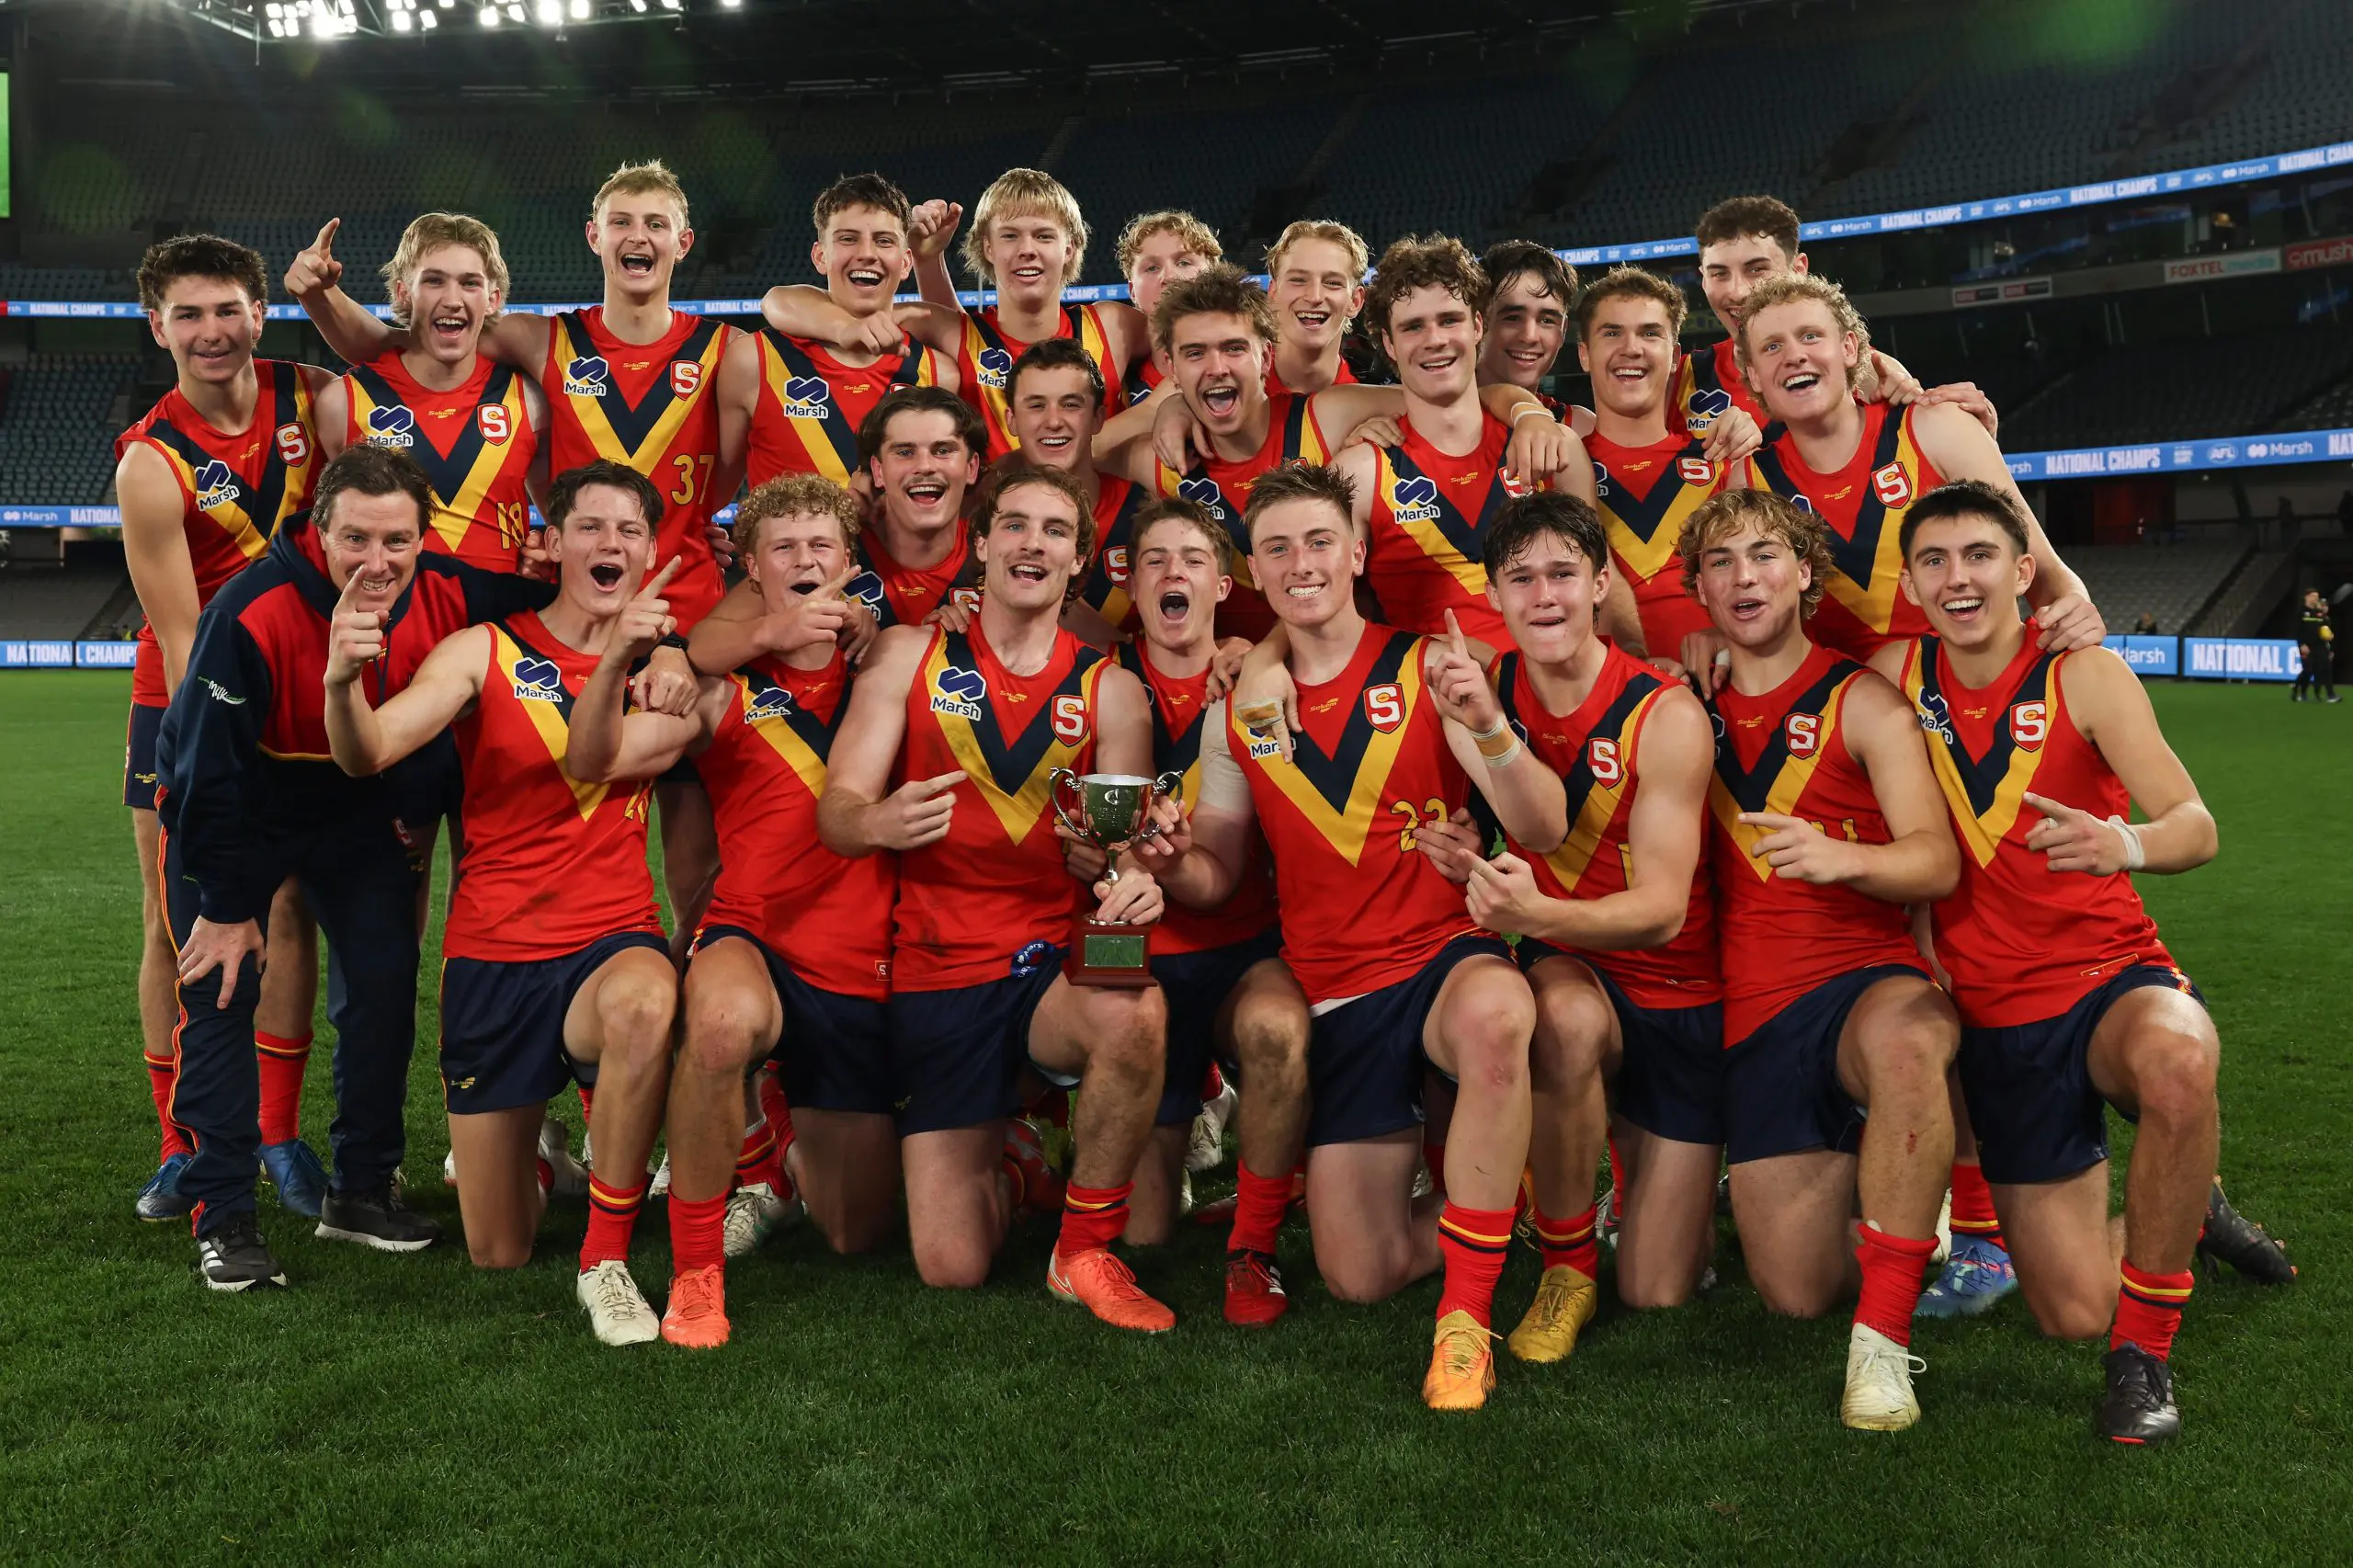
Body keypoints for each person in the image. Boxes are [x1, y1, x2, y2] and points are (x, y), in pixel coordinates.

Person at [1143, 463, 1539, 1411]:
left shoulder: (1431, 664)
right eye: (1276, 547)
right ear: (1255, 572)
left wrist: (1485, 735)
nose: (1300, 561)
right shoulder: (1239, 710)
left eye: (1320, 540)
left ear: (1358, 552)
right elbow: (1221, 871)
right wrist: (1162, 858)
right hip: (1333, 991)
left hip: (1442, 960)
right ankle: (1492, 1188)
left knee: (1498, 1016)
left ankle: (1464, 1318)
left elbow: (1535, 822)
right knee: (1359, 1272)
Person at [154, 445, 574, 1290]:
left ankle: (361, 1191)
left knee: (383, 985)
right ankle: (224, 1213)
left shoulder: (449, 587)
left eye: (397, 541)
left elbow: (566, 615)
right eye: (356, 540)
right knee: (224, 989)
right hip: (235, 809)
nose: (377, 562)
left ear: (425, 536)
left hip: (352, 812)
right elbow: (203, 775)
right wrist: (231, 904)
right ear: (320, 533)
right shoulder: (251, 610)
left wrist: (668, 648)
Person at [287, 159, 736, 947]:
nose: (638, 237)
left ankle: (668, 999)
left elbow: (744, 447)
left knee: (679, 849)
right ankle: (491, 997)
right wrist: (320, 297)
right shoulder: (540, 345)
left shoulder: (729, 349)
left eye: (655, 223)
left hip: (678, 622)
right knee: (467, 844)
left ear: (682, 241)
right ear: (594, 237)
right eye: (622, 222)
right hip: (516, 633)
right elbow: (405, 343)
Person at [1872, 478, 2231, 1443]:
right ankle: (2188, 1202)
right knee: (2067, 1306)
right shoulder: (1891, 677)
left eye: (1980, 555)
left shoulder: (2084, 672)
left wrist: (2126, 845)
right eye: (1935, 560)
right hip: (1995, 1017)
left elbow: (2196, 825)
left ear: (2023, 570)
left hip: (2111, 977)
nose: (1959, 577)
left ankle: (2143, 1356)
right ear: (1909, 583)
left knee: (2179, 1061)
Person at [320, 460, 699, 1344]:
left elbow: (594, 758)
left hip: (610, 945)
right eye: (592, 527)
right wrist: (343, 684)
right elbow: (365, 752)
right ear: (553, 542)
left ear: (651, 552)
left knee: (648, 1003)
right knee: (496, 1251)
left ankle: (604, 1261)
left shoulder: (676, 682)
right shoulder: (483, 652)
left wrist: (640, 656)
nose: (611, 544)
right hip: (493, 957)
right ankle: (541, 1161)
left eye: (631, 531)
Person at [817, 466, 1176, 1330]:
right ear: (982, 546)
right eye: (1014, 526)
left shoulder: (1111, 688)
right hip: (938, 965)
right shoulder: (911, 654)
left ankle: (1084, 1250)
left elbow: (1119, 845)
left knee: (1137, 1005)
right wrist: (881, 822)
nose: (1032, 544)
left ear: (1079, 561)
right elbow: (837, 813)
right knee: (952, 1268)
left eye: (1055, 532)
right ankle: (1019, 1154)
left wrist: (1135, 885)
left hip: (1055, 950)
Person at [1678, 485, 1962, 1432]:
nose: (1742, 576)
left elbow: (1934, 855)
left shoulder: (1862, 699)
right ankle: (1901, 1186)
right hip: (1756, 1009)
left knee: (1908, 1046)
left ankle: (1880, 1349)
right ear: (1700, 596)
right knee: (1794, 1291)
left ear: (1803, 573)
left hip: (1862, 977)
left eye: (1763, 555)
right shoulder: (1683, 706)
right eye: (1719, 562)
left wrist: (1847, 857)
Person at [1436, 492, 1721, 1330]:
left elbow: (1665, 912)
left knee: (1662, 1287)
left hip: (1679, 985)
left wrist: (1533, 914)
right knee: (1558, 1015)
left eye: (1564, 573)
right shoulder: (1483, 690)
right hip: (1578, 970)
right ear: (1491, 595)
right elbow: (1514, 822)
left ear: (1602, 583)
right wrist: (1458, 839)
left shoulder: (1666, 712)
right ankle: (1566, 1263)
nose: (1544, 596)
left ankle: (1630, 1191)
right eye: (1520, 579)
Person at [117, 233, 331, 1224]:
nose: (212, 331)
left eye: (229, 308)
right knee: (175, 925)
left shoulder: (313, 398)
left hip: (300, 696)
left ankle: (279, 1135)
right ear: (157, 326)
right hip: (187, 702)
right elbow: (185, 635)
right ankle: (184, 1146)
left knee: (288, 911)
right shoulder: (150, 461)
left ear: (259, 310)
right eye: (189, 314)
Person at [668, 476, 904, 1346]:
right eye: (784, 550)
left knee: (857, 1234)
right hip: (753, 932)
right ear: (754, 572)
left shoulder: (895, 669)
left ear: (851, 564)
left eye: (822, 549)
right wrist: (662, 660)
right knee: (721, 1027)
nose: (806, 563)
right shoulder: (716, 684)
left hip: (858, 957)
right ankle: (696, 1271)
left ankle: (781, 1145)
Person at [1108, 267, 1575, 641]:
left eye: (1234, 349)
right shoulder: (1161, 458)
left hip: (1321, 657)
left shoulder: (1324, 418)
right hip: (1229, 668)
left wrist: (1526, 411)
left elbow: (1453, 397)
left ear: (1265, 358)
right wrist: (1163, 406)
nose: (1216, 368)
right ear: (1169, 365)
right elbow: (1068, 452)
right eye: (1194, 354)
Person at [1108, 498, 1306, 1319]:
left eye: (1191, 559)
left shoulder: (1261, 680)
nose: (1172, 574)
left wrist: (1265, 648)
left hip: (1238, 947)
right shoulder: (1102, 681)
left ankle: (1254, 1245)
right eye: (1153, 560)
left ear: (1225, 584)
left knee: (1277, 1030)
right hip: (1141, 959)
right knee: (1148, 1234)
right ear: (1129, 580)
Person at [1730, 272, 2103, 669]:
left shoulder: (1936, 427)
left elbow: (2045, 572)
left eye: (1810, 336)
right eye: (1772, 346)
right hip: (1847, 713)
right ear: (1754, 376)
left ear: (1850, 348)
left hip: (1971, 694)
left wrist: (2077, 610)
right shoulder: (1750, 482)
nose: (1794, 355)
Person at [1336, 235, 1612, 651]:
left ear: (1478, 325)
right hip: (1436, 703)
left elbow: (1599, 590)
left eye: (1449, 320)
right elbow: (1332, 615)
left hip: (1556, 700)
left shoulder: (1558, 448)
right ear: (1389, 344)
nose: (1435, 340)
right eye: (1413, 326)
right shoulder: (1358, 471)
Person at [317, 213, 547, 573]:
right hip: (390, 621)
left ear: (492, 299)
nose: (453, 299)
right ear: (403, 293)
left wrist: (541, 558)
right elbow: (327, 534)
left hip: (500, 620)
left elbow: (558, 528)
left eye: (470, 283)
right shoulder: (342, 402)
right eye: (434, 281)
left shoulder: (530, 401)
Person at [731, 173, 955, 492]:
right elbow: (716, 482)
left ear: (906, 263)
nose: (867, 253)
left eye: (884, 240)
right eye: (848, 239)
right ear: (820, 256)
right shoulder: (752, 360)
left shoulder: (940, 375)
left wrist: (930, 259)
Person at [1574, 267, 1737, 669]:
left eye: (1650, 333)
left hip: (1727, 694)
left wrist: (1727, 636)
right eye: (1611, 333)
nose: (1632, 348)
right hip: (1609, 702)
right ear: (1583, 354)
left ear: (1675, 356)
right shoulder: (1555, 471)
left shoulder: (1724, 460)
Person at [1263, 221, 1370, 397]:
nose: (1314, 297)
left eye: (1333, 283)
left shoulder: (1374, 407)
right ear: (1273, 293)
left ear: (1355, 301)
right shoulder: (1235, 395)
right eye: (1298, 280)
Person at [2292, 588, 2337, 702]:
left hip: (2320, 646)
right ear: (2306, 597)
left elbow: (2326, 628)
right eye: (2313, 596)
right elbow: (2296, 630)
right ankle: (2299, 690)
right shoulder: (2301, 612)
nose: (2315, 599)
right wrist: (2301, 644)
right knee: (2308, 670)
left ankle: (2327, 694)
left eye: (2316, 597)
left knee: (2323, 668)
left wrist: (2329, 637)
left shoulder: (2319, 613)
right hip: (2306, 646)